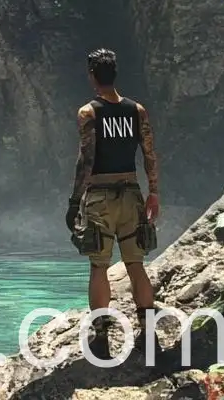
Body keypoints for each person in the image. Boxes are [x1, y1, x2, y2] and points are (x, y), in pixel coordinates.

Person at [66, 46, 161, 335]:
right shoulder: (137, 110)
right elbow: (149, 153)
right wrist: (153, 192)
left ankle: (101, 330)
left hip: (100, 198)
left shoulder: (88, 112)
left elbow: (87, 158)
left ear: (92, 76)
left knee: (99, 266)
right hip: (132, 193)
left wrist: (74, 201)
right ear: (115, 74)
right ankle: (147, 327)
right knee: (135, 263)